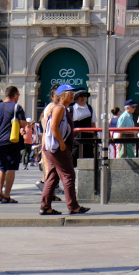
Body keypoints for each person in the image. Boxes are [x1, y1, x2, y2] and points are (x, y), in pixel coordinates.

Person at [40, 84, 89, 215]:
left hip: (53, 148)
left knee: (53, 177)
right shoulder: (60, 108)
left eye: (73, 92)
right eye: (69, 93)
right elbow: (54, 127)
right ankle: (73, 206)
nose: (72, 95)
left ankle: (45, 206)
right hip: (58, 148)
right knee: (68, 175)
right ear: (61, 95)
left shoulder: (63, 109)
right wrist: (62, 143)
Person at [0, 85, 26, 204]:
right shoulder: (17, 107)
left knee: (1, 166)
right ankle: (7, 196)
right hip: (12, 140)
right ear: (14, 95)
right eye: (18, 95)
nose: (18, 97)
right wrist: (26, 123)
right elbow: (23, 124)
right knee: (11, 167)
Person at [70, 90, 96, 163]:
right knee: (74, 162)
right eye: (81, 95)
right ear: (77, 97)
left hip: (88, 141)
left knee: (89, 162)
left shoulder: (91, 109)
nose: (83, 97)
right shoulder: (71, 109)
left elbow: (93, 125)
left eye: (85, 95)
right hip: (75, 142)